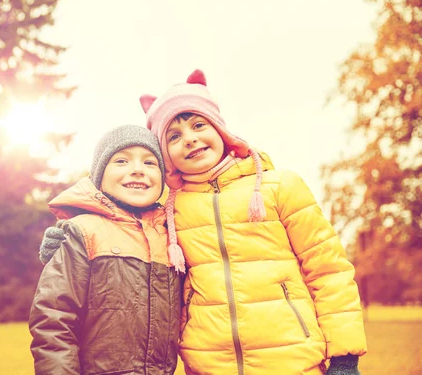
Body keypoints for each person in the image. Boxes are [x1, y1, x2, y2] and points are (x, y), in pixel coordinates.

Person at [136, 69, 368, 375]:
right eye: (174, 136)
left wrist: (344, 357)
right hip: (209, 366)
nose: (190, 139)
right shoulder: (170, 211)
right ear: (165, 154)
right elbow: (122, 237)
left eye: (198, 125)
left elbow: (328, 270)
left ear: (220, 130)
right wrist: (70, 239)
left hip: (293, 362)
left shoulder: (280, 187)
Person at [28, 125, 182, 375]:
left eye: (150, 162)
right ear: (99, 176)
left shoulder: (172, 238)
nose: (137, 169)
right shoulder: (82, 232)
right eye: (121, 160)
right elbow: (54, 321)